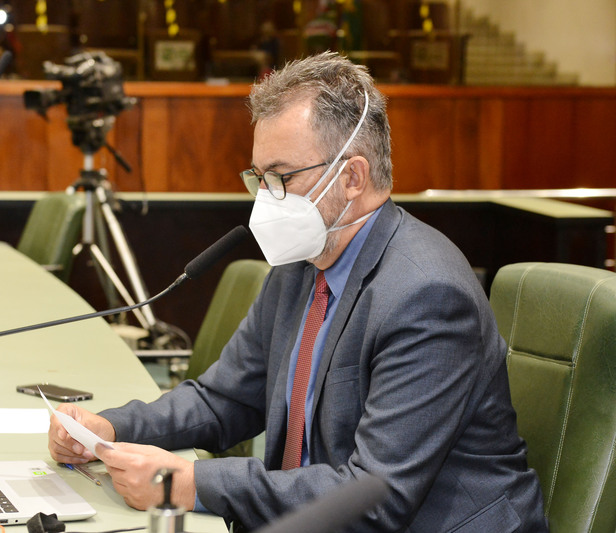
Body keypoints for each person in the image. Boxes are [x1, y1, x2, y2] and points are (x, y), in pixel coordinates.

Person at [49, 52, 548, 532]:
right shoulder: (301, 264)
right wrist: (108, 429)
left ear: (352, 177)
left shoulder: (427, 294)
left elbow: (377, 496)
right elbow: (224, 399)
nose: (266, 200)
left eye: (281, 177)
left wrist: (190, 483)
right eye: (259, 179)